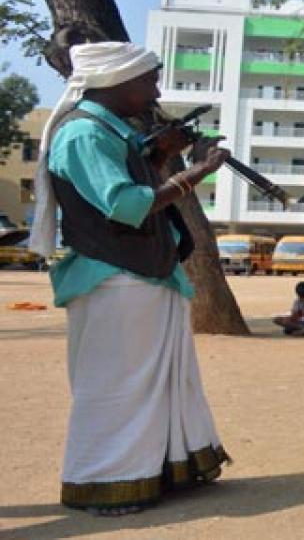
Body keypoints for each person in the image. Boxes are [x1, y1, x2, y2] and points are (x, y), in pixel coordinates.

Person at [31, 42, 230, 514]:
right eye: (148, 80)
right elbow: (126, 205)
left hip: (142, 277)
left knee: (159, 384)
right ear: (115, 82)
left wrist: (159, 157)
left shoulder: (111, 133)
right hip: (114, 280)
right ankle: (103, 483)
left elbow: (133, 188)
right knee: (116, 387)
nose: (155, 90)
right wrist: (199, 172)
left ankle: (159, 471)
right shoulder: (83, 135)